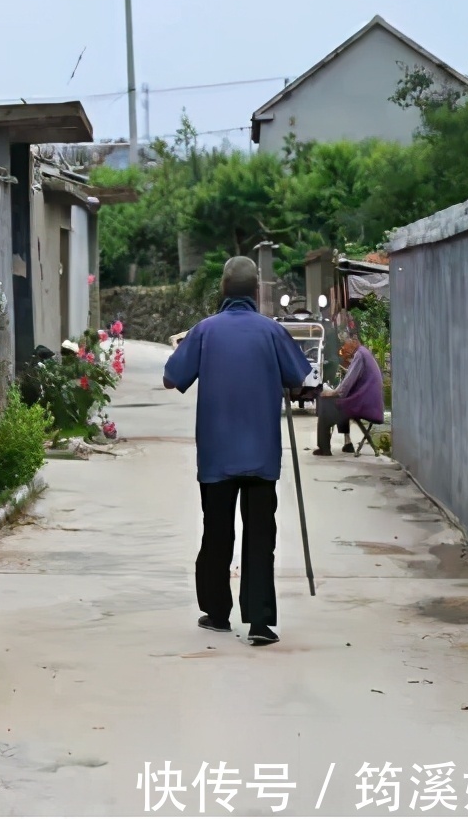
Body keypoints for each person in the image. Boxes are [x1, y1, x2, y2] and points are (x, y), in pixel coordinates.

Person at [163, 256, 311, 646]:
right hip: (261, 454)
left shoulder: (205, 331)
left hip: (217, 454)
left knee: (217, 531)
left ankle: (216, 613)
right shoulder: (272, 331)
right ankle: (260, 622)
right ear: (257, 290)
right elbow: (299, 381)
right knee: (260, 535)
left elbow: (171, 378)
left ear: (223, 289)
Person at [314, 336, 384, 456]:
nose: (344, 348)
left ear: (354, 342)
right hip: (371, 404)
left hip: (364, 404)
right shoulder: (364, 353)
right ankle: (348, 443)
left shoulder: (360, 355)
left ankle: (324, 448)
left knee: (325, 404)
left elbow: (347, 383)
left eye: (345, 345)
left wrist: (332, 393)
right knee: (340, 402)